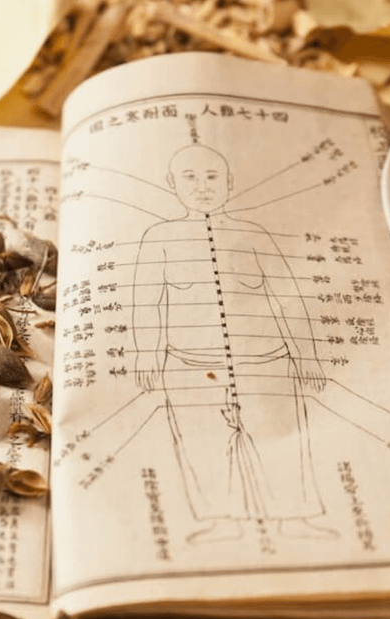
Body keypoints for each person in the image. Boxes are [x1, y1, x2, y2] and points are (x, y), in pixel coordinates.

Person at [132, 144, 336, 543]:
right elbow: (146, 300)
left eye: (212, 177)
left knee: (281, 435)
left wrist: (306, 353)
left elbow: (285, 296)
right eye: (190, 178)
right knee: (201, 442)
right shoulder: (159, 237)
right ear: (173, 184)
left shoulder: (253, 234)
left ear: (229, 183)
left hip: (266, 362)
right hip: (189, 365)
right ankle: (222, 520)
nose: (202, 187)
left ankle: (293, 517)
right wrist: (146, 354)